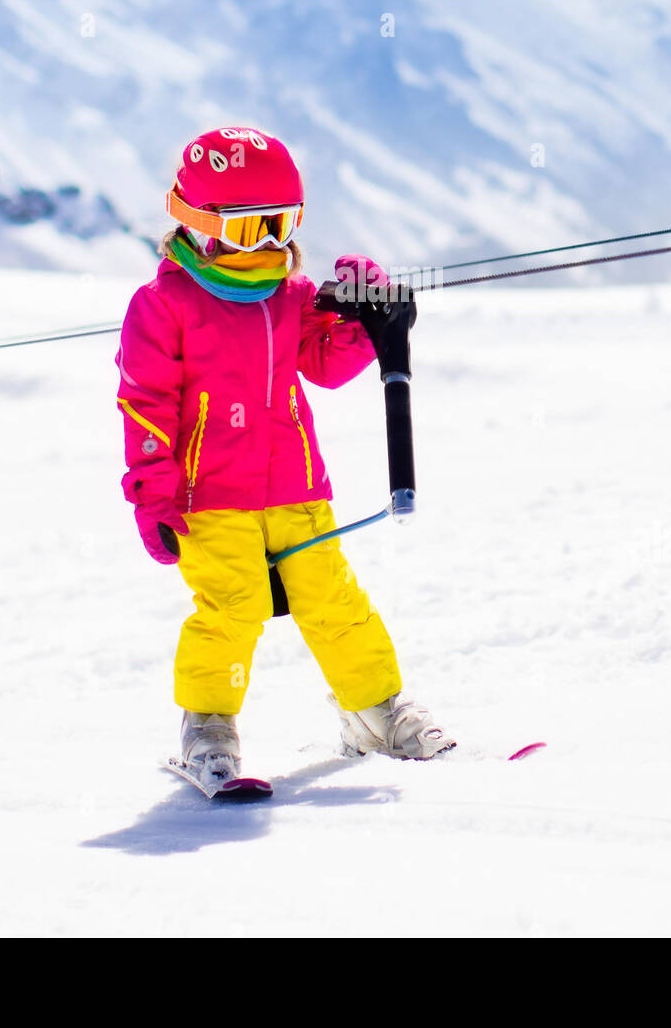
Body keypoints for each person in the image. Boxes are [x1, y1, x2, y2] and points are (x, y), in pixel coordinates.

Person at [116, 125, 452, 787]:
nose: (268, 245)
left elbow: (325, 365)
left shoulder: (291, 296)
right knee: (230, 612)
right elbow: (144, 405)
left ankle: (373, 710)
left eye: (280, 225)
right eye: (249, 230)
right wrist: (153, 494)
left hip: (297, 490)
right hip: (208, 501)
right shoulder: (163, 307)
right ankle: (207, 726)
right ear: (196, 223)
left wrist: (365, 315)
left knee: (334, 600)